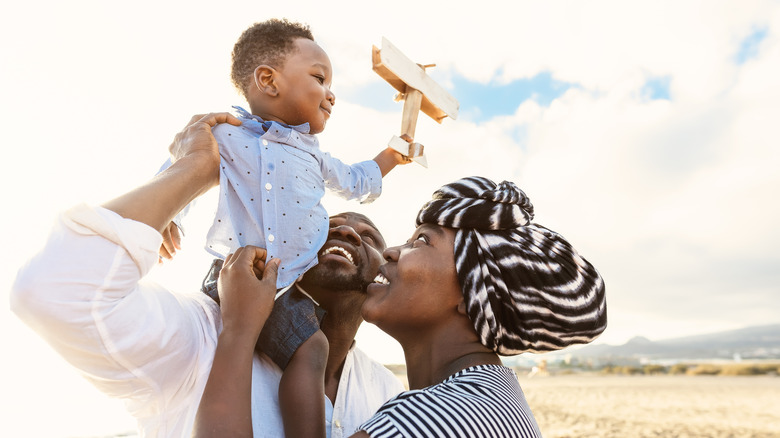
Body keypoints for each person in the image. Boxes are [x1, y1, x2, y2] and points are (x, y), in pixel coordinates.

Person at [10, 113, 404, 438]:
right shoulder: (198, 335)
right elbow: (50, 292)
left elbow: (359, 177)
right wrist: (191, 174)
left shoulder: (387, 393)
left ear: (382, 272)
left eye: (368, 235)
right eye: (326, 224)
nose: (348, 231)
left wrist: (392, 154)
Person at [193, 176, 608, 438]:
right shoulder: (490, 399)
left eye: (422, 242)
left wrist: (239, 331)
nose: (392, 252)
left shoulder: (438, 418)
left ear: (472, 296)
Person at [160, 19, 409, 437]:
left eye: (331, 85)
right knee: (313, 349)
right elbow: (183, 166)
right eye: (319, 78)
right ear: (268, 81)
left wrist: (391, 155)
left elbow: (357, 180)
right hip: (241, 275)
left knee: (312, 344)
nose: (330, 93)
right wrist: (169, 214)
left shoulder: (314, 156)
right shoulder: (226, 133)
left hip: (286, 283)